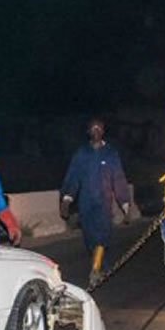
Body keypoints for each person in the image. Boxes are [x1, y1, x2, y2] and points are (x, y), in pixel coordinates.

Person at [59, 116, 132, 285]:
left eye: (99, 128)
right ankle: (101, 266)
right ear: (88, 132)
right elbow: (73, 178)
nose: (96, 131)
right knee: (91, 239)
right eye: (93, 129)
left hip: (104, 204)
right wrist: (66, 201)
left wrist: (126, 207)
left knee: (102, 236)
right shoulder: (81, 154)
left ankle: (95, 270)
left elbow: (119, 180)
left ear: (103, 131)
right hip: (86, 204)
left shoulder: (111, 154)